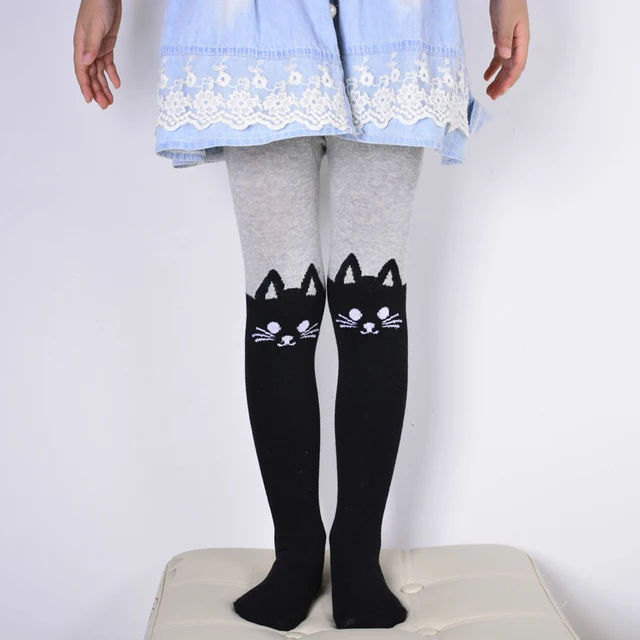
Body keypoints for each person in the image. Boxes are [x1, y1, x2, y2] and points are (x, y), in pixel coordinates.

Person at [73, 0, 530, 632]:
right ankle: (295, 553)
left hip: (393, 24)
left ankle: (357, 554)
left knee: (372, 301)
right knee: (278, 300)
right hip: (252, 26)